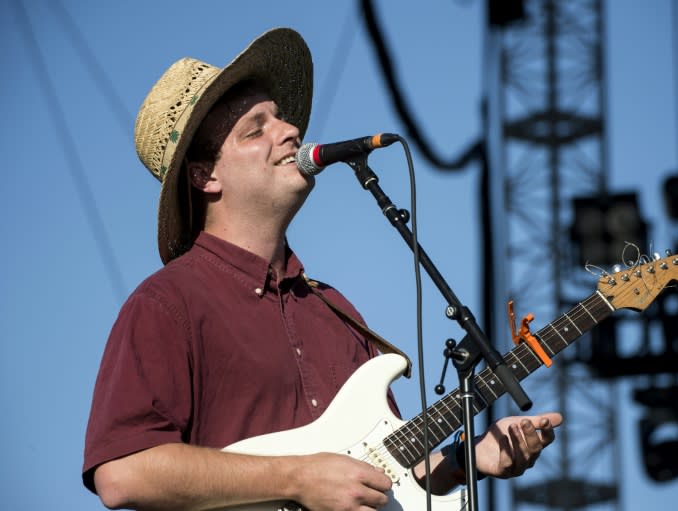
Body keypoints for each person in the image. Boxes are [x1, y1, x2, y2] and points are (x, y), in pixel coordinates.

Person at [83, 28, 563, 511]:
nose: (290, 131)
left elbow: (381, 472)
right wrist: (296, 476)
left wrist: (466, 459)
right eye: (256, 129)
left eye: (280, 117)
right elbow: (124, 472)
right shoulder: (168, 303)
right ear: (205, 176)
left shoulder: (335, 310)